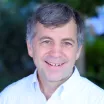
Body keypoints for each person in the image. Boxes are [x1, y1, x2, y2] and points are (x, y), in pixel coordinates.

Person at [0, 3, 104, 104]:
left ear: (78, 51)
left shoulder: (98, 100)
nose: (55, 53)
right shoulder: (8, 98)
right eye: (46, 41)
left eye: (67, 43)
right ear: (30, 47)